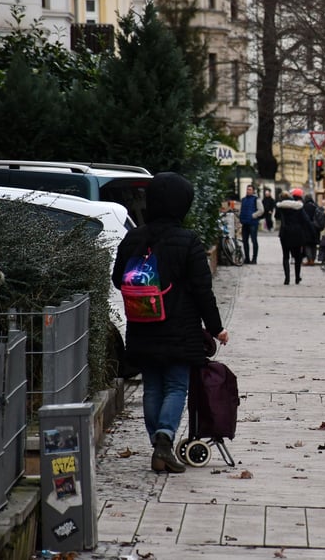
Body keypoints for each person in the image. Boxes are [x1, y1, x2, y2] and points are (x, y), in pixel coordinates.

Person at [112, 172, 228, 474]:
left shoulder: (134, 237)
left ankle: (158, 445)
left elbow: (117, 279)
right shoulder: (187, 241)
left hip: (142, 325)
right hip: (180, 328)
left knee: (152, 387)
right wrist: (216, 328)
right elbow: (203, 289)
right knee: (177, 386)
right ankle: (164, 438)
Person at [275, 188, 314, 284]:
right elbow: (306, 220)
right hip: (297, 234)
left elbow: (276, 216)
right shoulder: (298, 207)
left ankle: (287, 278)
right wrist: (311, 231)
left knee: (285, 256)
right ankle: (297, 277)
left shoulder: (280, 207)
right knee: (298, 257)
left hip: (285, 233)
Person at [238, 184, 262, 264]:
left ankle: (254, 259)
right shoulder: (243, 199)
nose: (248, 191)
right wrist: (240, 217)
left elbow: (261, 210)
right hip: (245, 223)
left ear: (253, 191)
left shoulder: (256, 199)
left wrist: (253, 215)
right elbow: (241, 210)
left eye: (250, 189)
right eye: (247, 189)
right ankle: (247, 258)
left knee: (254, 241)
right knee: (245, 241)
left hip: (253, 223)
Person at [302, 193, 321, 265]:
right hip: (315, 228)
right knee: (314, 244)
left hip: (307, 228)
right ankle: (313, 259)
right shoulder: (315, 206)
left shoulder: (304, 207)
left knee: (307, 244)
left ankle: (309, 260)